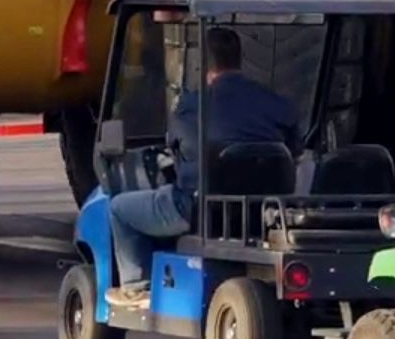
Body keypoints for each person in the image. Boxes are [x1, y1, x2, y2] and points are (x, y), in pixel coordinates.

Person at [105, 26, 299, 304]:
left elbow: (175, 146)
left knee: (119, 208)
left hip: (198, 210)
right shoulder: (275, 103)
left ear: (203, 65)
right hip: (264, 211)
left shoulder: (191, 106)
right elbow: (296, 149)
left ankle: (136, 286)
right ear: (239, 60)